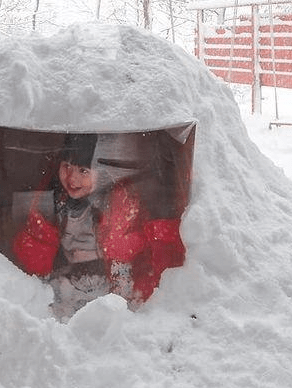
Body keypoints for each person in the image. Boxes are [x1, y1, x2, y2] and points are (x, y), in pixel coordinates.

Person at [12, 133, 185, 318]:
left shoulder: (117, 204)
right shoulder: (57, 200)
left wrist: (123, 293)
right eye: (66, 166)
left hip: (109, 281)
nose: (71, 177)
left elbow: (124, 248)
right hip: (68, 277)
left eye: (83, 171)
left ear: (102, 173)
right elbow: (35, 244)